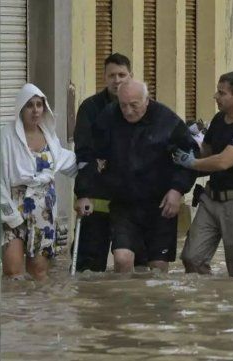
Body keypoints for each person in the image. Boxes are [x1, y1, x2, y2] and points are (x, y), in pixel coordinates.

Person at [83, 79, 198, 273]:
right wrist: (85, 190)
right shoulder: (109, 117)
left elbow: (190, 159)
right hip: (124, 203)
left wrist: (177, 190)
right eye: (123, 105)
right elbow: (90, 154)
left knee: (157, 268)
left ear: (147, 100)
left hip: (161, 204)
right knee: (122, 258)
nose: (127, 111)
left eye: (134, 105)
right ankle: (124, 302)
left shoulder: (167, 120)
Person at [174, 71, 233, 276]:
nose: (216, 96)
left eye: (222, 93)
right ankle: (211, 301)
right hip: (211, 199)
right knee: (191, 258)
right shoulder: (219, 119)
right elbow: (208, 151)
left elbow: (223, 161)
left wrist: (192, 163)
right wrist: (189, 144)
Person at [0, 83, 77, 281]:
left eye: (39, 105)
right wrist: (9, 214)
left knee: (39, 273)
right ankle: (16, 312)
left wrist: (95, 166)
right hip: (14, 208)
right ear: (21, 108)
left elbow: (68, 162)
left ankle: (39, 311)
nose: (35, 110)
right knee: (12, 272)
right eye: (30, 105)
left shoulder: (50, 137)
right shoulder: (6, 137)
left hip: (44, 210)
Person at [73, 53, 132, 272]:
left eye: (122, 75)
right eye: (112, 75)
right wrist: (83, 193)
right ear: (104, 77)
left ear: (130, 76)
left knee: (130, 261)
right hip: (96, 194)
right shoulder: (90, 108)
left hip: (130, 198)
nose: (117, 80)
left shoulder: (143, 105)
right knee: (88, 265)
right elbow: (84, 153)